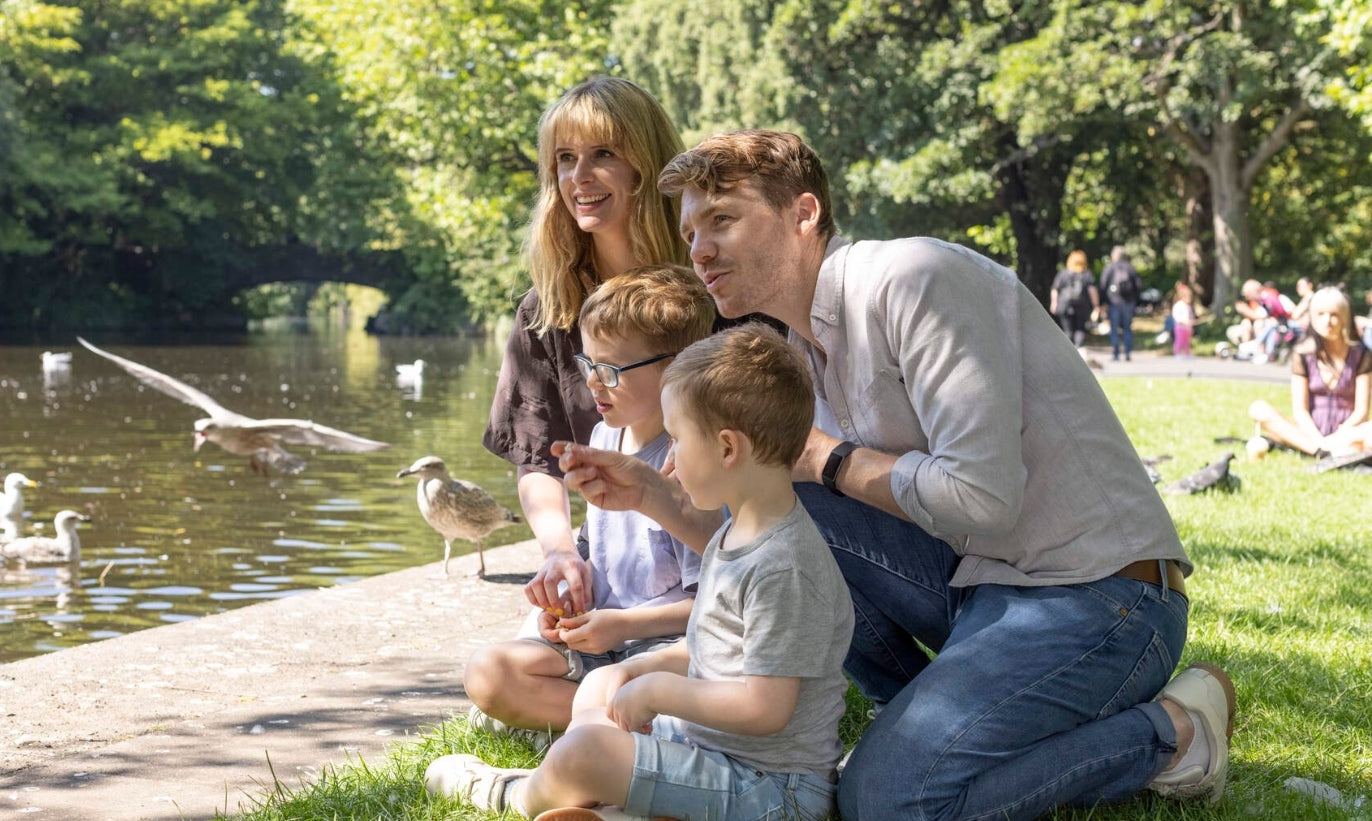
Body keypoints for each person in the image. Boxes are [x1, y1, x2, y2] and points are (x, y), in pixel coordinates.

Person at [556, 130, 1235, 821]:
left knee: (885, 801)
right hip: (982, 591)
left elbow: (985, 498)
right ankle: (916, 719)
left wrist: (826, 456)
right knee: (792, 508)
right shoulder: (797, 349)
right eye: (691, 230)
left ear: (804, 214)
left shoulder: (914, 279)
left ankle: (1175, 731)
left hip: (1102, 596)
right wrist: (650, 494)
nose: (698, 250)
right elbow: (760, 548)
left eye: (722, 220)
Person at [426, 325, 854, 821]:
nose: (667, 456)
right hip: (716, 752)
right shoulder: (738, 533)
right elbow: (722, 650)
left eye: (677, 438)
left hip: (772, 790)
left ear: (727, 449)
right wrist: (630, 672)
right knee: (601, 687)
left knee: (586, 756)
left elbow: (765, 707)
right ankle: (607, 801)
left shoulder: (784, 566)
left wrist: (656, 690)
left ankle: (515, 794)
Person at [464, 265, 713, 741]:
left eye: (612, 370)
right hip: (606, 644)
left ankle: (601, 728)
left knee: (619, 690)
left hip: (670, 654)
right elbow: (610, 558)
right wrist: (571, 605)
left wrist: (619, 628)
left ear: (677, 367)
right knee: (487, 672)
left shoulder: (690, 465)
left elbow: (714, 605)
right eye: (588, 364)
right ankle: (616, 728)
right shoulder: (605, 435)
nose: (594, 383)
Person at [482, 76, 690, 621]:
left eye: (603, 154)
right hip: (615, 550)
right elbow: (537, 456)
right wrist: (561, 553)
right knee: (502, 675)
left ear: (646, 165)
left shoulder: (712, 286)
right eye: (565, 158)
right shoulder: (544, 310)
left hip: (717, 546)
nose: (580, 176)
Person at [1249, 287, 1372, 458]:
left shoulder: (1361, 355)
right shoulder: (1303, 354)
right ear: (1313, 317)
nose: (1327, 321)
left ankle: (1317, 450)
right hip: (1310, 433)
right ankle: (1320, 452)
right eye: (1321, 314)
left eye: (1334, 314)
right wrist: (1319, 441)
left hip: (1347, 434)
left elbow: (1361, 412)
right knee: (1259, 409)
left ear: (1345, 318)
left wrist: (1336, 437)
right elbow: (1300, 411)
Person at [1049, 249, 1099, 348]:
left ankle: (1069, 351)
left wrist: (1054, 303)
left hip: (1064, 305)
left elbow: (1055, 289)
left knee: (1068, 330)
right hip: (1082, 306)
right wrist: (1096, 306)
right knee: (1080, 329)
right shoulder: (1086, 274)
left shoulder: (1063, 274)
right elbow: (1092, 291)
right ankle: (1077, 348)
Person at [1099, 245, 1142, 361]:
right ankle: (1128, 353)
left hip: (1113, 302)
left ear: (1113, 256)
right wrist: (1136, 302)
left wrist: (1101, 302)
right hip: (1128, 303)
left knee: (1114, 329)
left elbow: (1103, 286)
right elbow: (1138, 286)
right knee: (1127, 328)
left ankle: (1116, 353)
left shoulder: (1109, 268)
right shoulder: (1131, 268)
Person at [1172, 281, 1197, 360]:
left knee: (1187, 342)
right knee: (1179, 341)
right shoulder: (1178, 305)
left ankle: (1188, 354)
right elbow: (1176, 316)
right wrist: (1183, 321)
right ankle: (1177, 354)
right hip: (1180, 327)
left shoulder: (1188, 306)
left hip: (1187, 328)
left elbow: (1190, 316)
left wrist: (1191, 321)